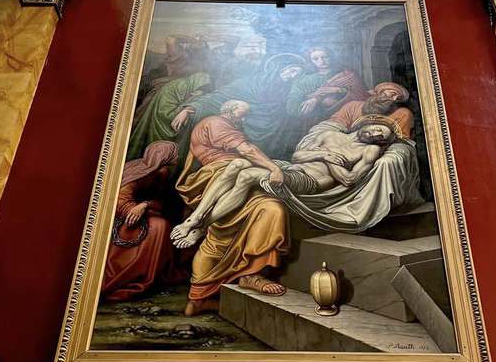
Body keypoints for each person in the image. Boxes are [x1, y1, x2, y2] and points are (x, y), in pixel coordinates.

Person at [171, 115, 399, 248]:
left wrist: (326, 159)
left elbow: (349, 179)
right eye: (378, 129)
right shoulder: (331, 135)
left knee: (248, 176)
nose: (377, 134)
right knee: (238, 164)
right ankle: (195, 218)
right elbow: (298, 156)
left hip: (309, 180)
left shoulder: (369, 151)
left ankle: (203, 226)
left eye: (382, 138)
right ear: (369, 123)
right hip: (292, 167)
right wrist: (325, 153)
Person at [173, 99, 291, 315]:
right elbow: (247, 150)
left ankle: (251, 274)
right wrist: (274, 168)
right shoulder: (216, 122)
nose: (243, 119)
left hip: (240, 178)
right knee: (222, 233)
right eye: (241, 114)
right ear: (228, 111)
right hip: (216, 177)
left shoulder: (227, 126)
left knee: (272, 209)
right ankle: (198, 298)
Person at [168, 53, 306, 158]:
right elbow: (218, 97)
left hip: (273, 143)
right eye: (292, 70)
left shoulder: (290, 91)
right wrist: (189, 109)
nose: (294, 76)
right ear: (279, 68)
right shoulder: (249, 84)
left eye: (298, 74)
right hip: (239, 139)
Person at [101, 141, 185, 301]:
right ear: (163, 157)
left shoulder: (161, 172)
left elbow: (159, 202)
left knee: (162, 224)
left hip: (142, 212)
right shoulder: (139, 172)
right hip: (122, 219)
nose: (177, 157)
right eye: (173, 154)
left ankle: (152, 272)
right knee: (159, 226)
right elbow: (119, 201)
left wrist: (145, 205)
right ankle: (134, 272)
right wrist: (135, 209)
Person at [285, 47, 368, 123]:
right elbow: (292, 108)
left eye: (325, 57)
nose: (321, 61)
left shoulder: (348, 75)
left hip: (350, 118)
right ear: (310, 61)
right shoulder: (303, 81)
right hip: (316, 122)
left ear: (331, 57)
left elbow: (363, 96)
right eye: (315, 59)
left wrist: (339, 90)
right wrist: (316, 101)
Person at [330, 81, 415, 139]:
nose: (394, 99)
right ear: (381, 92)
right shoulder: (353, 106)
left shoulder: (402, 113)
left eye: (398, 98)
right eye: (393, 94)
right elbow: (332, 126)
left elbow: (401, 140)